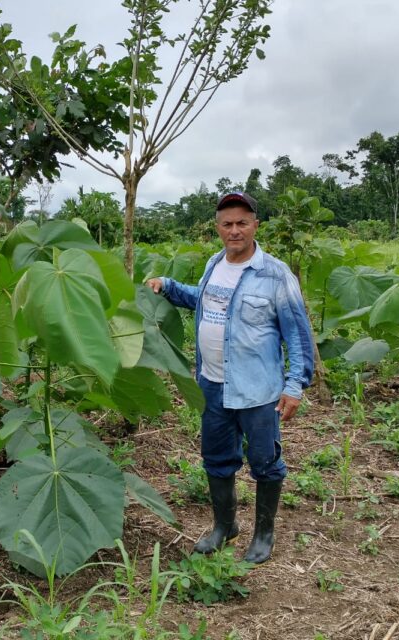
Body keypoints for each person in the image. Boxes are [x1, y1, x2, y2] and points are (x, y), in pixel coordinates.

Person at [145, 191, 314, 564]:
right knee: (217, 458)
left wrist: (294, 384)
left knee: (265, 462)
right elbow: (205, 301)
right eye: (227, 224)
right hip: (212, 382)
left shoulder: (275, 274)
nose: (234, 231)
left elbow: (297, 334)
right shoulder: (214, 264)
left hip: (258, 390)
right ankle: (225, 527)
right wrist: (169, 287)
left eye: (242, 223)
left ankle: (263, 535)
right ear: (217, 228)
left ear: (255, 225)